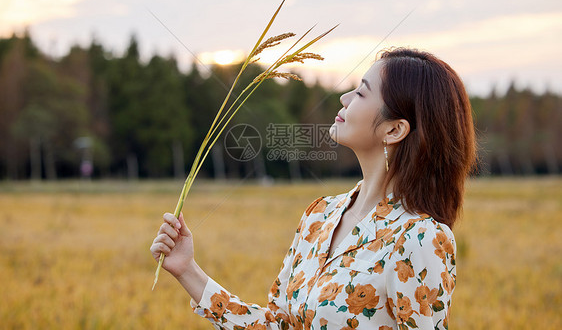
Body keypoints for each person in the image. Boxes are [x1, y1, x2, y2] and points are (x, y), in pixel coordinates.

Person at [150, 47, 476, 329]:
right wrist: (187, 270)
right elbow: (277, 325)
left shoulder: (420, 237)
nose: (344, 98)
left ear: (394, 130)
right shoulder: (319, 216)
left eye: (361, 92)